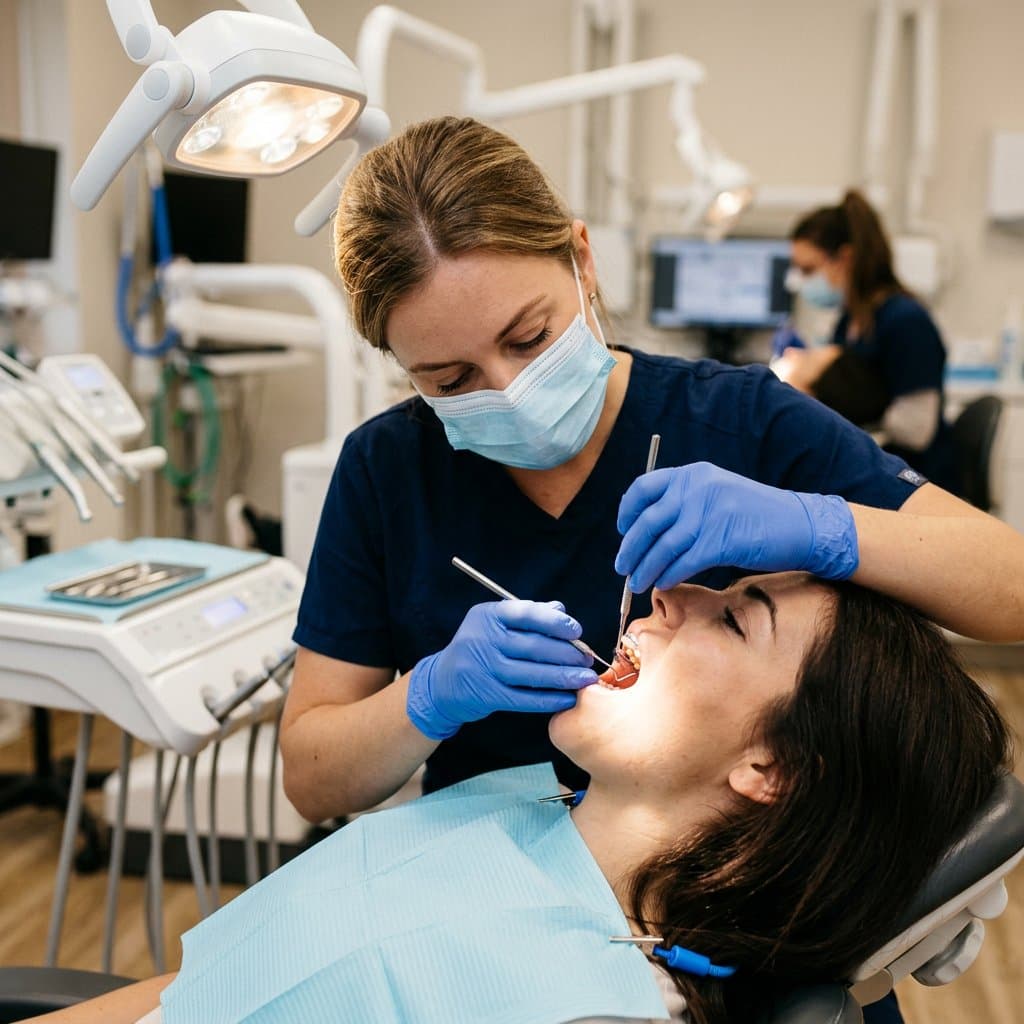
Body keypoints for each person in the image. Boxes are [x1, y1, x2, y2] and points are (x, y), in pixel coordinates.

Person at [280, 117, 1024, 1024]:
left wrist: (820, 525)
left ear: (582, 263)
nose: (506, 388)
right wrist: (428, 697)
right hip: (481, 913)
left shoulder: (748, 424)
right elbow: (314, 778)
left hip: (742, 952)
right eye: (450, 378)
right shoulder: (387, 472)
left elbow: (1011, 584)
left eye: (528, 337)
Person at [30, 573, 1015, 1023]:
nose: (667, 596)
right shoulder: (516, 805)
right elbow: (191, 996)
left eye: (732, 617)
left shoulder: (589, 1006)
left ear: (774, 769)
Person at [776, 190, 959, 494]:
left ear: (845, 259)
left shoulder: (905, 321)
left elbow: (916, 429)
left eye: (808, 269)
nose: (798, 281)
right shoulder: (851, 321)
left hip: (915, 484)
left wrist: (828, 379)